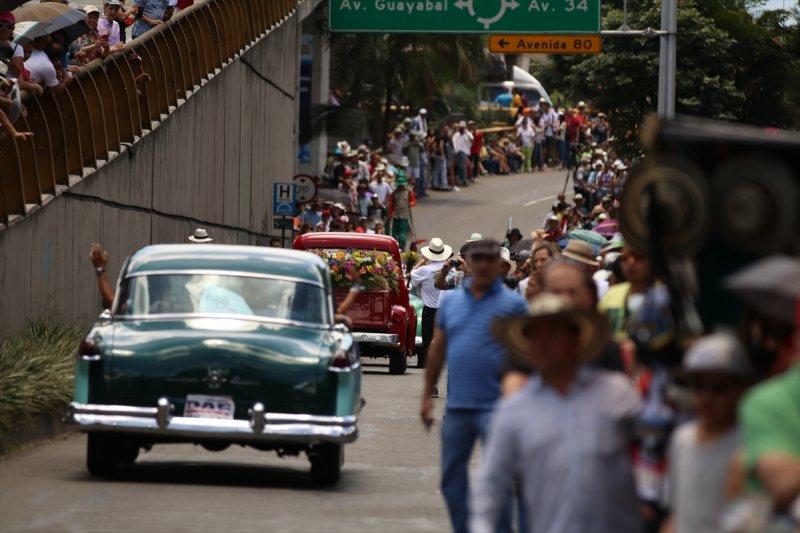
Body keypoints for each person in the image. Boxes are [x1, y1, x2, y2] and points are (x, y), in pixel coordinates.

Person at [472, 293, 643, 533]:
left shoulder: (617, 394)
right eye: (534, 336)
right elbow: (491, 483)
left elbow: (650, 457)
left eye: (553, 334)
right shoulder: (514, 410)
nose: (543, 344)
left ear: (576, 339)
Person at [420, 239, 528, 533]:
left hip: (498, 408)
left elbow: (525, 355)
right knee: (451, 479)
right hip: (457, 408)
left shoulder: (514, 305)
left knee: (498, 480)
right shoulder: (451, 301)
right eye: (476, 258)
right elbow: (437, 348)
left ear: (498, 265)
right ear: (467, 262)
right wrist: (426, 395)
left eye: (488, 259)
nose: (482, 264)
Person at [661, 332, 752, 533]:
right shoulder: (681, 439)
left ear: (740, 389)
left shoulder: (748, 443)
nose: (706, 397)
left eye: (718, 388)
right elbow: (676, 514)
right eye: (699, 386)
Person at [411, 237, 452, 369]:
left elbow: (412, 275)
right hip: (445, 309)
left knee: (427, 339)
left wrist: (422, 261)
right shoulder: (450, 269)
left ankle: (425, 363)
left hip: (430, 310)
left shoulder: (424, 270)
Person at [387, 174, 413, 250]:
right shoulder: (394, 193)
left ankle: (402, 247)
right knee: (394, 233)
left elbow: (413, 201)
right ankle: (395, 247)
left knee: (402, 234)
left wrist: (410, 204)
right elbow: (391, 203)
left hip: (404, 216)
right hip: (396, 216)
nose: (400, 187)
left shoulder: (408, 192)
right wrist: (390, 214)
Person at [452, 121, 473, 188]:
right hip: (458, 152)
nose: (461, 129)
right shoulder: (456, 135)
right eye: (460, 128)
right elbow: (454, 143)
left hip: (465, 152)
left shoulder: (468, 133)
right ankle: (463, 179)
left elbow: (472, 139)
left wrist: (467, 133)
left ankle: (463, 179)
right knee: (462, 166)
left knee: (462, 166)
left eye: (463, 128)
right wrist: (455, 152)